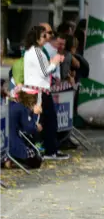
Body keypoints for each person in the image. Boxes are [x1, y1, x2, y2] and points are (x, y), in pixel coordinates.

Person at [22, 25, 68, 160]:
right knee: (46, 121)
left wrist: (52, 63)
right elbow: (44, 72)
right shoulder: (36, 51)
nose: (46, 38)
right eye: (43, 36)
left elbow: (42, 69)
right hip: (39, 91)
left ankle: (48, 150)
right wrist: (54, 62)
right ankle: (47, 150)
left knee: (46, 120)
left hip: (39, 90)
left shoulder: (33, 51)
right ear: (37, 38)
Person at [5, 87, 43, 169]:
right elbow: (29, 129)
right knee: (37, 160)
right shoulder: (21, 108)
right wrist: (35, 114)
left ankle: (8, 160)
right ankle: (12, 160)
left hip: (4, 142)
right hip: (13, 143)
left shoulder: (11, 105)